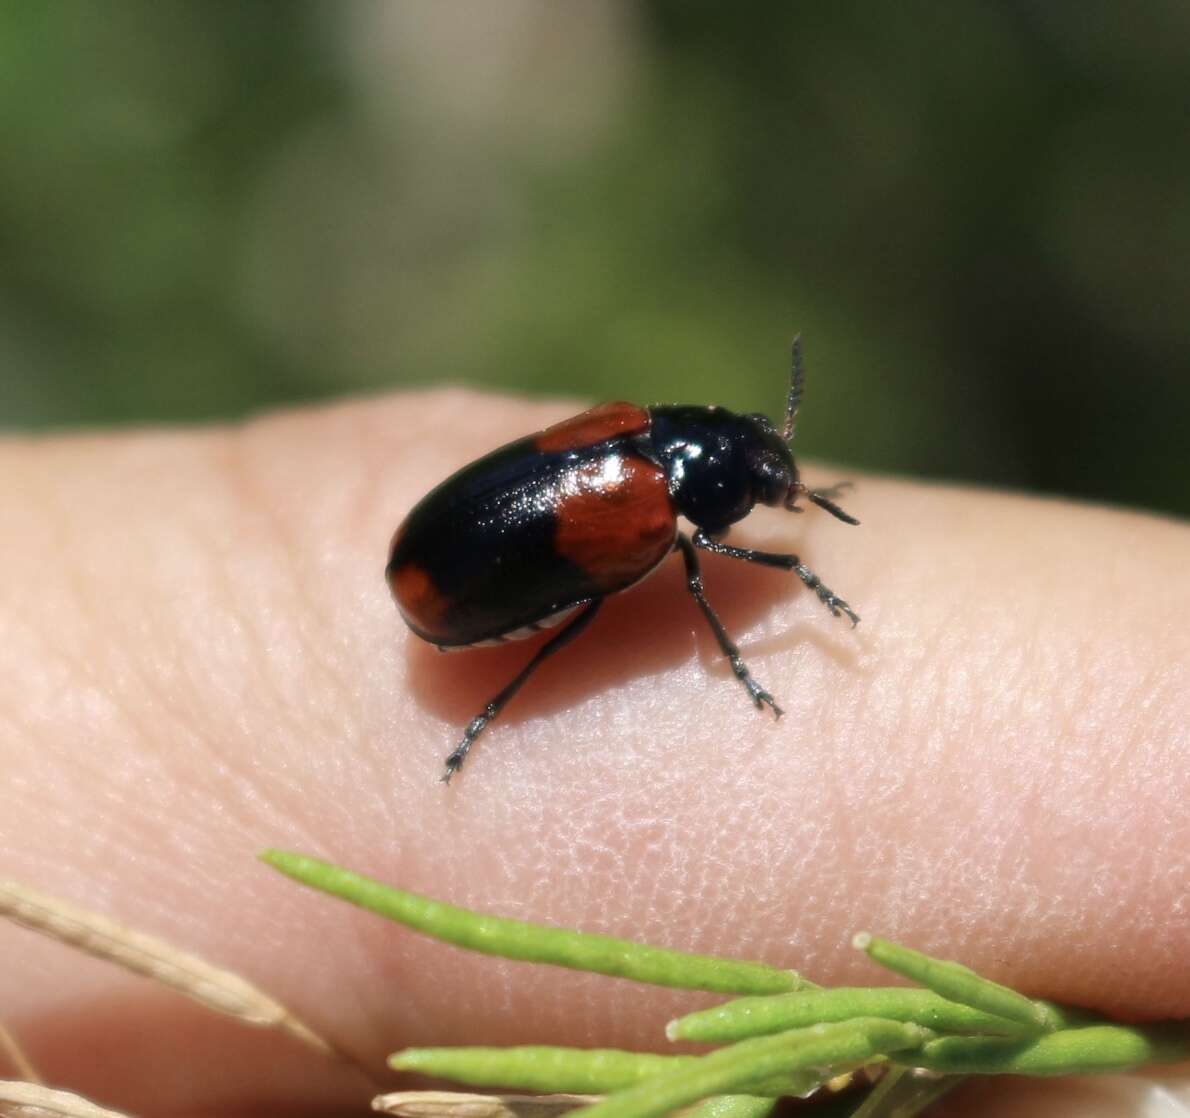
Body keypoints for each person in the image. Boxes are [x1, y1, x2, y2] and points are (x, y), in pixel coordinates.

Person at [0, 390, 1186, 1117]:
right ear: (716, 478)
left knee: (600, 610)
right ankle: (481, 714)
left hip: (457, 547)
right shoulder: (640, 495)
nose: (774, 493)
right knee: (571, 622)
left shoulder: (643, 441)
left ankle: (479, 717)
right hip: (456, 581)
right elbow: (707, 586)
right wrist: (766, 630)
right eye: (767, 482)